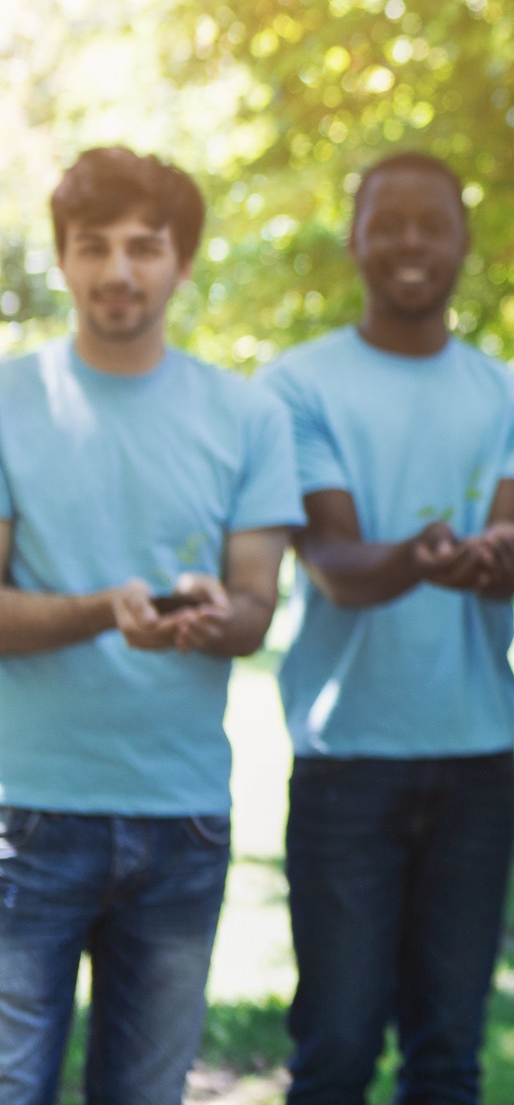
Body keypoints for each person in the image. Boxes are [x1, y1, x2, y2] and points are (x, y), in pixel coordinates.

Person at [0, 148, 301, 1103]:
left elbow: (254, 609)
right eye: (93, 247)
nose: (118, 271)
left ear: (182, 260)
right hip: (27, 812)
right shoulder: (9, 402)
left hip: (182, 819)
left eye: (144, 247)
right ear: (64, 258)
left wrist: (215, 616)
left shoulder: (247, 415)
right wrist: (100, 610)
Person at [260, 152, 514, 1104]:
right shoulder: (296, 388)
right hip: (347, 762)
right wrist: (423, 558)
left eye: (435, 225)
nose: (413, 244)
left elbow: (510, 541)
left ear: (465, 243)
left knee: (448, 1056)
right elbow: (337, 568)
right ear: (355, 239)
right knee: (337, 1049)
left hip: (475, 761)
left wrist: (498, 556)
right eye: (390, 223)